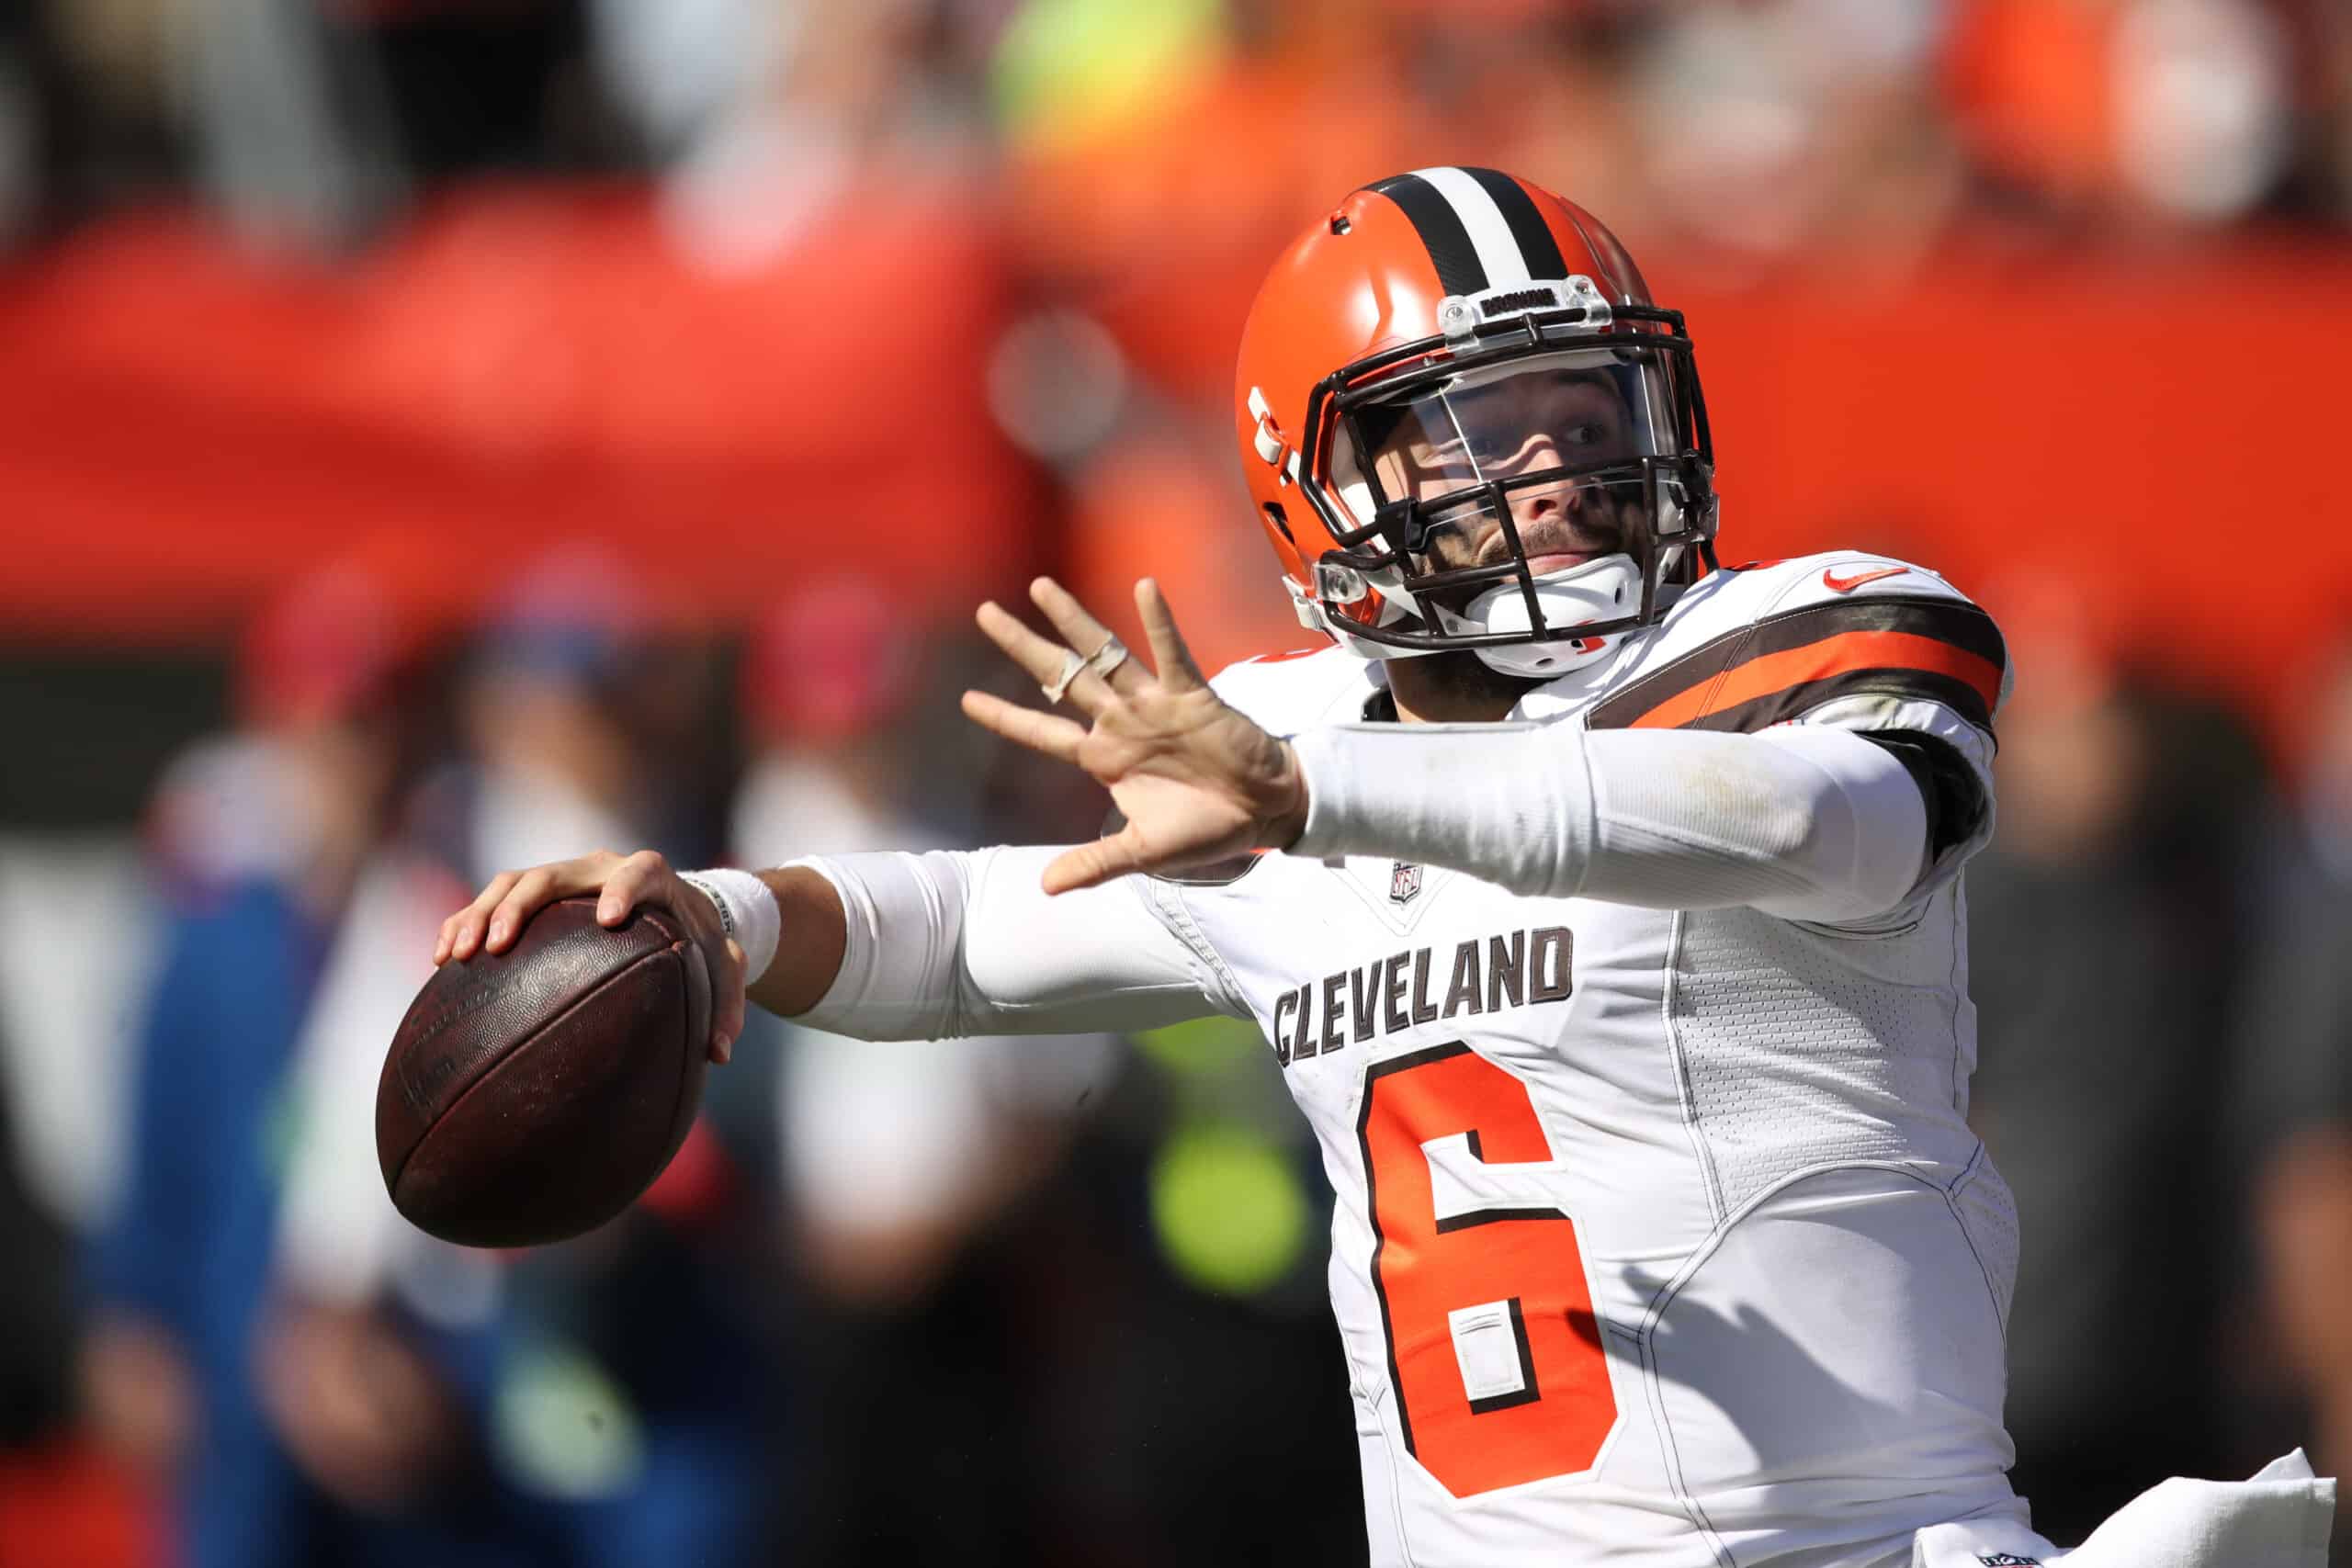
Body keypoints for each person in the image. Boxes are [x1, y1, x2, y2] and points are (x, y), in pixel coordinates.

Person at [432, 169, 2334, 1565]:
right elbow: (969, 930)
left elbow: (1811, 820)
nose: (1562, 471)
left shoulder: (1801, 631)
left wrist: (1311, 791)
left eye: (1588, 414)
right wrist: (711, 915)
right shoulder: (1286, 756)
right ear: (1316, 483)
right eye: (1484, 432)